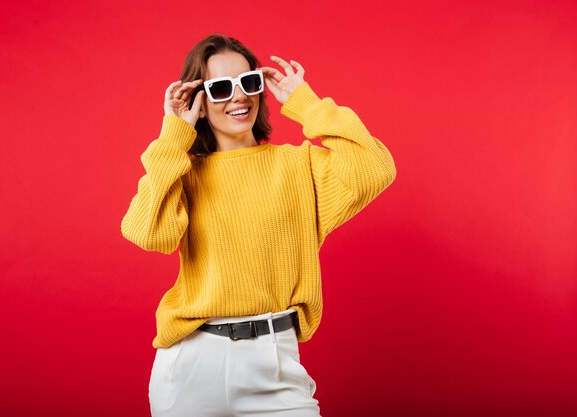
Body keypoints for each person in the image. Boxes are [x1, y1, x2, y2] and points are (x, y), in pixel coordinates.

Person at [121, 34, 396, 417]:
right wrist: (173, 135)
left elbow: (375, 167)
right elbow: (147, 232)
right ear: (198, 103)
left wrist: (305, 103)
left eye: (248, 82)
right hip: (194, 367)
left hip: (276, 362)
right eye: (220, 89)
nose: (238, 98)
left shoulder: (298, 166)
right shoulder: (183, 175)